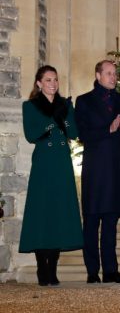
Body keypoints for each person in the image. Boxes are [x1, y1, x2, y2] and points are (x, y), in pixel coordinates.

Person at [19, 65, 84, 286]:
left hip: (62, 164)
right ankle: (41, 268)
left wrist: (63, 118)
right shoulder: (30, 106)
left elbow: (74, 133)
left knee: (58, 214)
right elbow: (31, 134)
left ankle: (53, 269)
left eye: (55, 80)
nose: (53, 84)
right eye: (48, 80)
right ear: (39, 83)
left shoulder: (65, 105)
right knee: (41, 215)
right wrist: (51, 121)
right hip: (43, 164)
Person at [75, 60, 120, 284]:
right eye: (109, 73)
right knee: (91, 221)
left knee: (111, 223)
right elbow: (82, 133)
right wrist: (108, 128)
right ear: (98, 75)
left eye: (115, 73)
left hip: (117, 169)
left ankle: (111, 271)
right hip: (95, 169)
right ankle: (93, 271)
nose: (113, 77)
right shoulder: (84, 101)